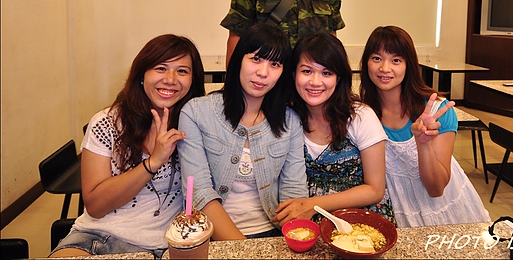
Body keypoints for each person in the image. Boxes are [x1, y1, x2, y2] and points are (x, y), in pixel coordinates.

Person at [50, 34, 206, 258]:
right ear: (142, 75)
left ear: (193, 80)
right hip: (98, 238)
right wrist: (153, 162)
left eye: (182, 71)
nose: (170, 79)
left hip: (170, 244)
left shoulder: (196, 125)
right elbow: (95, 206)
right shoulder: (107, 123)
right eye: (161, 68)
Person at [178, 23, 308, 240]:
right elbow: (200, 194)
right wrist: (245, 250)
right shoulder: (196, 113)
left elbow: (294, 193)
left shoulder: (290, 121)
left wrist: (293, 242)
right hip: (212, 236)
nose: (263, 72)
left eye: (275, 64)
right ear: (238, 59)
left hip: (273, 233)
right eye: (256, 59)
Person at [359, 26, 490, 227]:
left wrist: (423, 145)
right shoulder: (363, 115)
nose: (385, 68)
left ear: (409, 65)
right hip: (398, 213)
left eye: (396, 60)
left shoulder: (437, 111)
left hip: (444, 212)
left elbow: (436, 189)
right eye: (377, 58)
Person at [271, 32, 395, 226]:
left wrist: (313, 205)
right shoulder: (287, 117)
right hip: (304, 225)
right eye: (307, 71)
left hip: (361, 222)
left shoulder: (360, 117)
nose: (315, 82)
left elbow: (375, 189)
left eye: (326, 73)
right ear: (294, 74)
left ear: (338, 78)